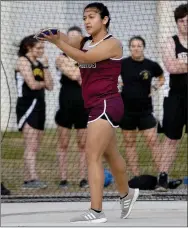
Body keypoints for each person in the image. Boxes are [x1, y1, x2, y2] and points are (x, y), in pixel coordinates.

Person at [37, 2, 139, 223]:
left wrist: (58, 43)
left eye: (92, 16)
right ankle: (127, 193)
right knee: (110, 154)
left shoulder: (113, 44)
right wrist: (50, 33)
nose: (86, 21)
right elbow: (65, 38)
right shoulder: (84, 41)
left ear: (104, 20)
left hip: (107, 103)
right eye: (84, 17)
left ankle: (97, 211)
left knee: (91, 155)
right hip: (95, 104)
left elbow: (83, 58)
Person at [119, 36, 165, 178]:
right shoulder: (122, 64)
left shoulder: (151, 65)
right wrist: (117, 85)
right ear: (130, 48)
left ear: (143, 47)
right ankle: (136, 177)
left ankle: (161, 176)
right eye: (133, 46)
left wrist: (155, 87)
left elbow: (162, 77)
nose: (136, 48)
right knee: (129, 143)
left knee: (153, 142)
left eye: (139, 46)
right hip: (127, 111)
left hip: (145, 111)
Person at [15, 35, 53, 189]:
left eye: (43, 48)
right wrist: (42, 83)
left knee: (35, 145)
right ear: (28, 47)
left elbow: (50, 86)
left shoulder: (39, 63)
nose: (41, 51)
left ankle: (28, 179)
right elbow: (31, 84)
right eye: (38, 48)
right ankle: (32, 179)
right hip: (27, 106)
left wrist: (45, 67)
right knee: (30, 144)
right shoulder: (23, 61)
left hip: (40, 105)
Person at [157, 3, 187, 191]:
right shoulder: (171, 42)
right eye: (182, 21)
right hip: (175, 98)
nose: (186, 24)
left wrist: (182, 62)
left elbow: (179, 65)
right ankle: (162, 177)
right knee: (171, 139)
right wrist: (179, 64)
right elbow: (171, 67)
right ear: (177, 23)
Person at [55, 26, 88, 189]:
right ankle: (63, 179)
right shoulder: (60, 58)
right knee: (63, 144)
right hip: (66, 104)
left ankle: (83, 178)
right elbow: (76, 75)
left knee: (83, 145)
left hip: (84, 104)